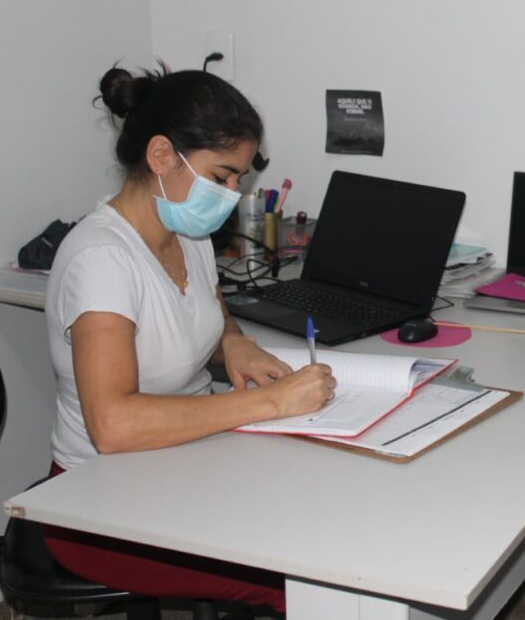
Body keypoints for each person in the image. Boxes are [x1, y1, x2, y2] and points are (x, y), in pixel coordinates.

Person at [42, 64, 338, 614]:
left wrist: (234, 343)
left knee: (327, 518)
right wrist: (271, 402)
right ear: (161, 156)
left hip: (187, 467)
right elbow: (113, 425)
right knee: (313, 581)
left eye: (238, 181)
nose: (231, 195)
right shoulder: (101, 261)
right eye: (221, 177)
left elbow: (207, 315)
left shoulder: (187, 233)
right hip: (100, 508)